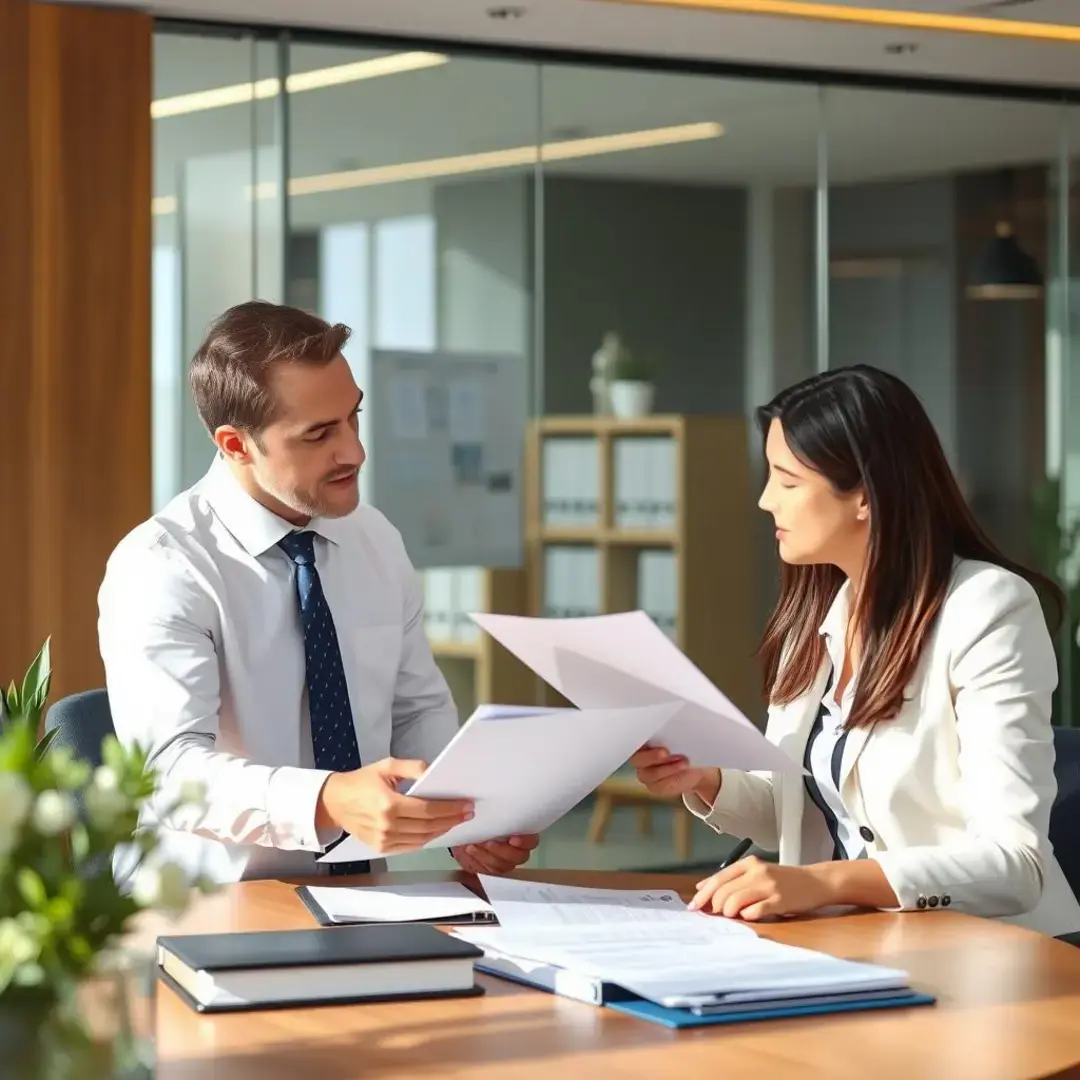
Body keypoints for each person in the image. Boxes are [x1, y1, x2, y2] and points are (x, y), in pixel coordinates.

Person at [631, 364, 1080, 937]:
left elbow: (1016, 865)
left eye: (788, 482)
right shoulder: (816, 616)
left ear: (864, 495)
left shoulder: (987, 607)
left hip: (995, 951)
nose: (767, 500)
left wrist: (824, 883)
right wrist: (704, 777)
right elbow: (797, 810)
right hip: (854, 942)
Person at [99, 301, 538, 885]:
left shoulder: (374, 539)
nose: (354, 452)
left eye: (354, 418)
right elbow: (167, 772)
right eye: (319, 434)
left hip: (365, 897)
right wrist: (327, 800)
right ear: (235, 444)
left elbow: (416, 709)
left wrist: (464, 822)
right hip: (211, 905)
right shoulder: (162, 567)